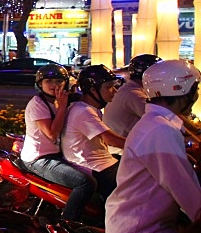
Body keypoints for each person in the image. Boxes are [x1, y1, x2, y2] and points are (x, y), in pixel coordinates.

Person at [105, 60, 201, 233]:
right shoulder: (160, 130)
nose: (196, 95)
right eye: (194, 89)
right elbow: (185, 189)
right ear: (181, 91)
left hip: (147, 225)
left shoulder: (159, 124)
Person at [20, 63, 96, 221]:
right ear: (40, 84)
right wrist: (62, 107)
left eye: (59, 81)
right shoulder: (38, 105)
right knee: (85, 183)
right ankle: (67, 223)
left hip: (56, 154)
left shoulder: (60, 100)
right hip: (39, 158)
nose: (54, 85)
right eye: (49, 81)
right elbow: (52, 134)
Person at [61, 65, 125, 207]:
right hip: (92, 166)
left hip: (100, 160)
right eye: (109, 87)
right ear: (92, 89)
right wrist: (145, 145)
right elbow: (111, 139)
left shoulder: (89, 108)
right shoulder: (83, 112)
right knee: (127, 197)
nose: (114, 91)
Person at [104, 54, 161, 139]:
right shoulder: (134, 95)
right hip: (125, 149)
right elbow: (161, 119)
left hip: (127, 146)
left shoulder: (129, 90)